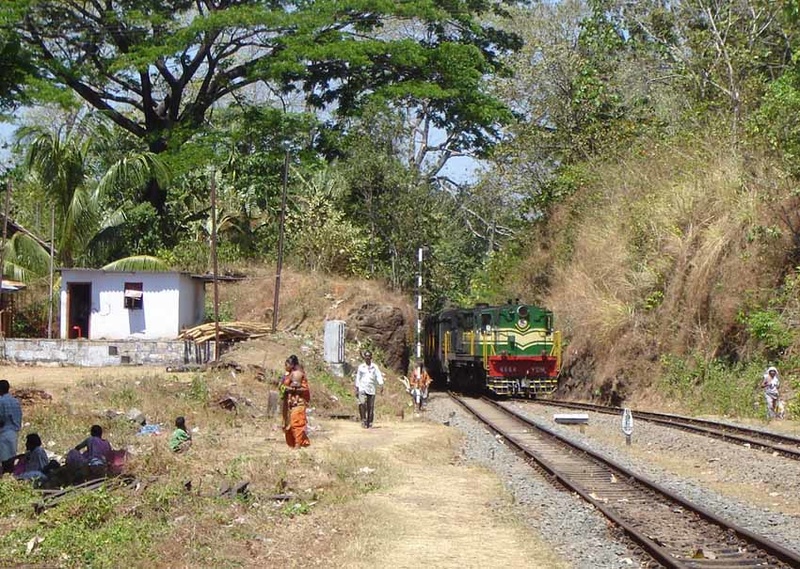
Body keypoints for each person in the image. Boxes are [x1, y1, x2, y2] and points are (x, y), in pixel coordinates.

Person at [280, 355, 311, 448]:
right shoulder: (287, 375)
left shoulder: (299, 374)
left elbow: (304, 389)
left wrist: (291, 390)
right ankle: (295, 444)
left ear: (292, 365)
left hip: (298, 403)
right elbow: (283, 385)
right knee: (287, 425)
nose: (285, 367)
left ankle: (298, 444)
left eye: (287, 365)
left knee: (296, 424)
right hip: (287, 404)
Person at [354, 350, 384, 428]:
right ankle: (363, 420)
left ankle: (369, 422)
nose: (367, 358)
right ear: (364, 358)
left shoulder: (374, 367)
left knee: (370, 406)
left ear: (371, 357)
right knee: (362, 403)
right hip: (362, 388)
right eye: (366, 356)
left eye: (369, 356)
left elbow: (378, 375)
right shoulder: (361, 367)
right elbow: (358, 378)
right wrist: (357, 388)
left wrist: (381, 385)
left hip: (371, 389)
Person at [0, 380, 22, 475]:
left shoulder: (1, 401)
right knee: (11, 458)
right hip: (13, 433)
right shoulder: (15, 401)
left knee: (3, 459)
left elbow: (1, 420)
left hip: (3, 433)